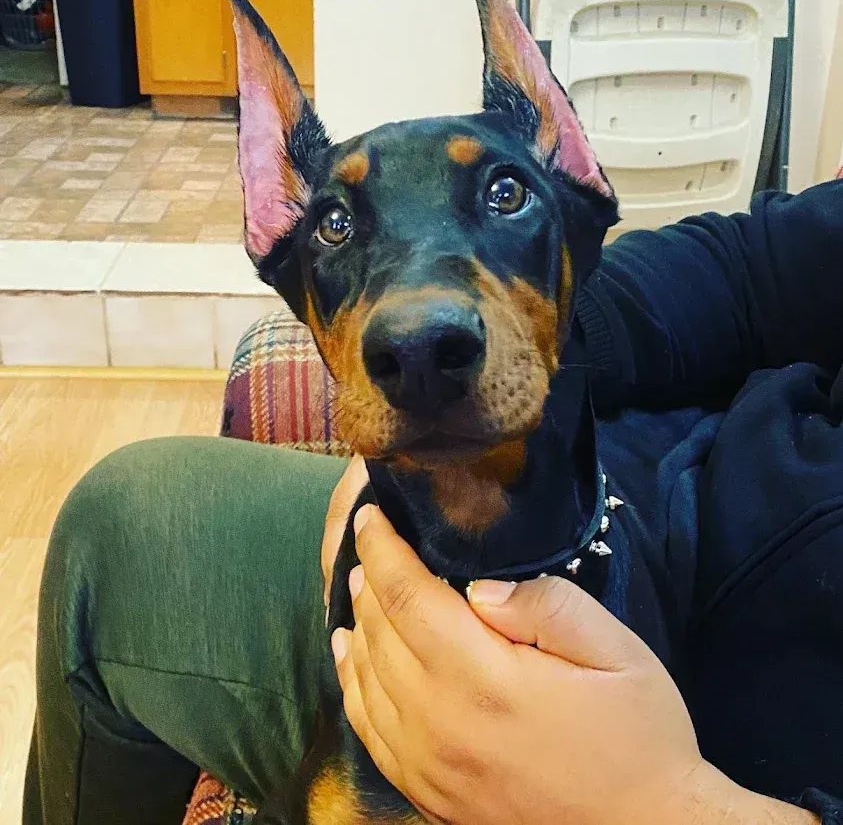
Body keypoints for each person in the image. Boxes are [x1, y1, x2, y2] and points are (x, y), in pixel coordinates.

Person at [23, 179, 843, 825]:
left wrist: (672, 809)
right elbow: (747, 268)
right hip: (647, 499)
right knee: (127, 527)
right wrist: (515, 339)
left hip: (720, 766)